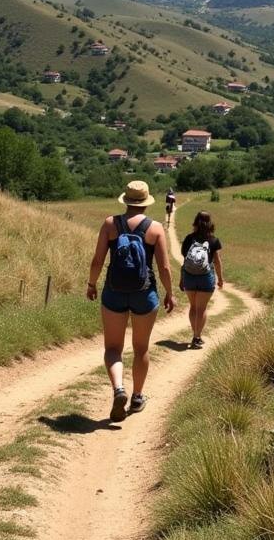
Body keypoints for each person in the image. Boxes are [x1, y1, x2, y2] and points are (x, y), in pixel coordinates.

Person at [87, 180, 175, 421]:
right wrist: (170, 293)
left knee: (113, 348)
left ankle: (118, 389)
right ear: (146, 203)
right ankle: (137, 397)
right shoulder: (156, 229)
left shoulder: (110, 224)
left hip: (114, 291)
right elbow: (164, 267)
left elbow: (97, 261)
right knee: (141, 348)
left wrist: (92, 284)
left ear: (125, 200)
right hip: (144, 293)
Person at [179, 211, 224, 349]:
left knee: (193, 307)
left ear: (195, 222)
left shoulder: (189, 238)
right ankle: (197, 336)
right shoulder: (214, 240)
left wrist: (182, 279)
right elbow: (216, 261)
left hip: (189, 277)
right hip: (206, 277)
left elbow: (185, 260)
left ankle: (195, 334)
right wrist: (220, 278)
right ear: (210, 223)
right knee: (202, 308)